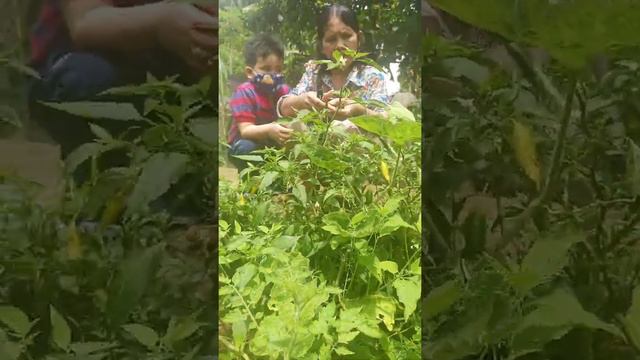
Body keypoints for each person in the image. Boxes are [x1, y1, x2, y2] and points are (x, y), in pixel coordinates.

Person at [27, 0, 218, 156]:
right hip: (91, 62)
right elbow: (85, 21)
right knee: (86, 79)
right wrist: (159, 24)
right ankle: (98, 182)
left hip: (181, 74)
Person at [277, 4, 390, 132]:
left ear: (359, 39)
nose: (340, 45)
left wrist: (360, 111)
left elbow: (385, 121)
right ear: (321, 46)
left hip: (356, 147)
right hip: (315, 145)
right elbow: (283, 108)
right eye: (331, 39)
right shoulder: (314, 72)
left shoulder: (372, 76)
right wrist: (303, 100)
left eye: (346, 36)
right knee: (293, 127)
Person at [227, 33, 291, 171]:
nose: (273, 75)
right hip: (246, 143)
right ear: (250, 72)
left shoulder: (284, 91)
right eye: (267, 69)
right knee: (246, 148)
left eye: (278, 70)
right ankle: (248, 181)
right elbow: (246, 130)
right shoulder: (244, 92)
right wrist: (270, 129)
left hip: (272, 142)